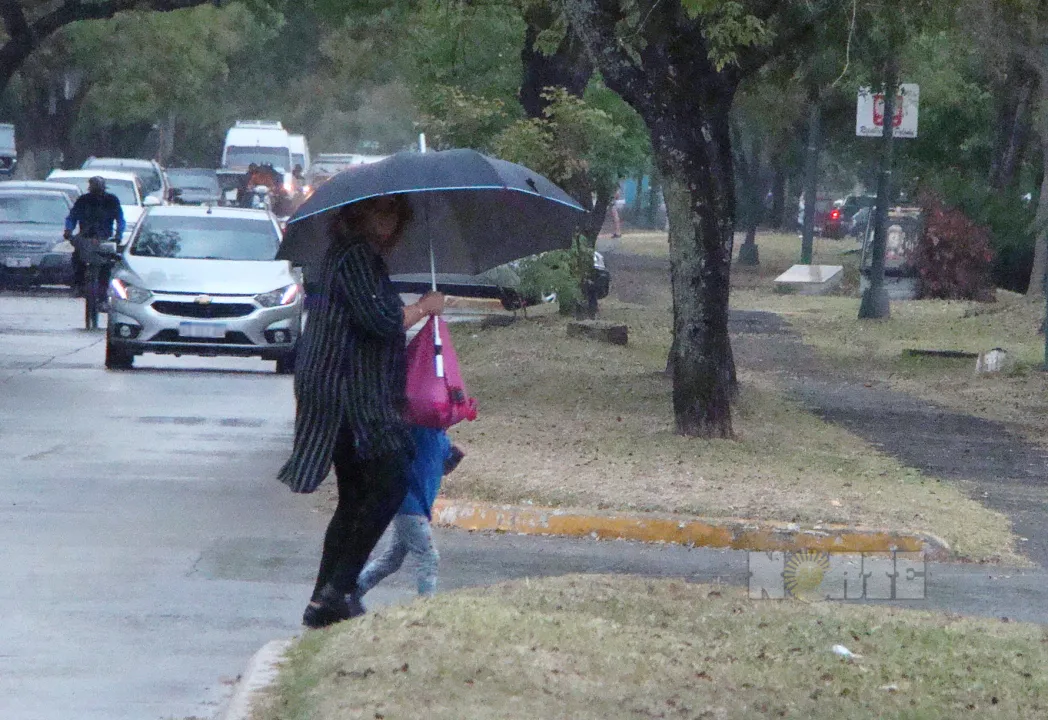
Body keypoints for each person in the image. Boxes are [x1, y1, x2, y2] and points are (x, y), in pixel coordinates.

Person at [277, 194, 445, 630]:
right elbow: (382, 321)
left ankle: (324, 599)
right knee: (389, 481)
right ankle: (339, 588)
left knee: (355, 496)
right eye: (378, 211)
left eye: (394, 214)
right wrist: (424, 307)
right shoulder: (352, 257)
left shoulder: (359, 259)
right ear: (357, 214)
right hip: (347, 391)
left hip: (348, 387)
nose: (386, 221)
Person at [357, 429, 465, 599]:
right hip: (408, 504)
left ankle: (352, 593)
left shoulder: (441, 437)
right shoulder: (418, 431)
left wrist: (455, 457)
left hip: (417, 506)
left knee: (392, 559)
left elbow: (439, 468)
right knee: (429, 557)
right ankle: (425, 605)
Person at [64, 176, 125, 298]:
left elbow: (120, 219)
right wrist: (68, 230)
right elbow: (72, 217)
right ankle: (79, 285)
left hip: (104, 238)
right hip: (85, 237)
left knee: (106, 264)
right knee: (77, 258)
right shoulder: (83, 200)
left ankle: (103, 295)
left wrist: (118, 235)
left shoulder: (112, 200)